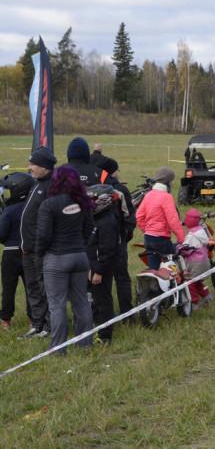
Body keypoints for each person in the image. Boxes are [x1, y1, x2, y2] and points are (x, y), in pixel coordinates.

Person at [35, 166, 95, 354]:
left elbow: (43, 235)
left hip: (57, 258)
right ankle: (85, 344)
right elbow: (89, 227)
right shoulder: (83, 203)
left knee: (57, 304)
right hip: (79, 257)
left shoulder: (49, 204)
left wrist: (39, 253)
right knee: (81, 301)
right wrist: (80, 245)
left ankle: (58, 348)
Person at [18, 147, 57, 339]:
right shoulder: (36, 184)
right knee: (32, 288)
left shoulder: (51, 187)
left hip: (41, 250)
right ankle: (37, 324)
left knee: (45, 288)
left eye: (33, 163)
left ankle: (49, 326)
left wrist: (42, 246)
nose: (29, 167)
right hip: (27, 248)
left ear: (44, 167)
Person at [97, 157, 136, 316]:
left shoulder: (94, 187)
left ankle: (104, 314)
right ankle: (126, 313)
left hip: (98, 241)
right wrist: (125, 236)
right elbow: (130, 216)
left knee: (103, 280)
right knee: (122, 278)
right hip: (118, 240)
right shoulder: (120, 189)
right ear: (112, 171)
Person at [85, 184, 122, 344]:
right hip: (95, 266)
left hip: (103, 269)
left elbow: (107, 250)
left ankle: (105, 335)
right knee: (96, 300)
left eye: (93, 199)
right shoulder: (98, 218)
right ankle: (97, 329)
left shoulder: (107, 221)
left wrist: (98, 270)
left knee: (103, 301)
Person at [0, 172, 36, 329]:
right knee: (31, 287)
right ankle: (33, 319)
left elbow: (1, 234)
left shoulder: (9, 210)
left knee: (8, 287)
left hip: (10, 251)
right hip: (28, 252)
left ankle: (6, 320)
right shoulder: (33, 207)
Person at [136, 166, 185, 270]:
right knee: (173, 266)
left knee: (153, 269)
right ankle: (174, 285)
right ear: (168, 182)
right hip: (161, 239)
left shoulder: (149, 195)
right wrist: (181, 238)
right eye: (172, 181)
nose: (172, 184)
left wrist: (148, 230)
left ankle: (154, 285)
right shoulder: (167, 197)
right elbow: (173, 221)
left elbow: (139, 216)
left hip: (148, 238)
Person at [179, 209, 213, 309]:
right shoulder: (200, 231)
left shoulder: (191, 235)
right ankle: (207, 296)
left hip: (195, 263)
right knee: (196, 280)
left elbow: (186, 250)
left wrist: (179, 248)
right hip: (204, 261)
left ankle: (194, 303)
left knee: (189, 283)